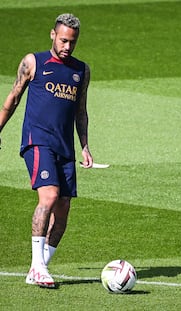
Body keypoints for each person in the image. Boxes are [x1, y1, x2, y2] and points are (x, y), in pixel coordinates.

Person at [0, 13, 93, 288]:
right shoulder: (34, 62)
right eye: (63, 40)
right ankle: (38, 267)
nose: (67, 47)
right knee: (50, 196)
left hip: (65, 146)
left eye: (72, 42)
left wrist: (85, 146)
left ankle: (38, 268)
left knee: (63, 211)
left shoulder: (81, 70)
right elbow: (13, 98)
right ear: (53, 35)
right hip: (38, 140)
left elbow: (81, 112)